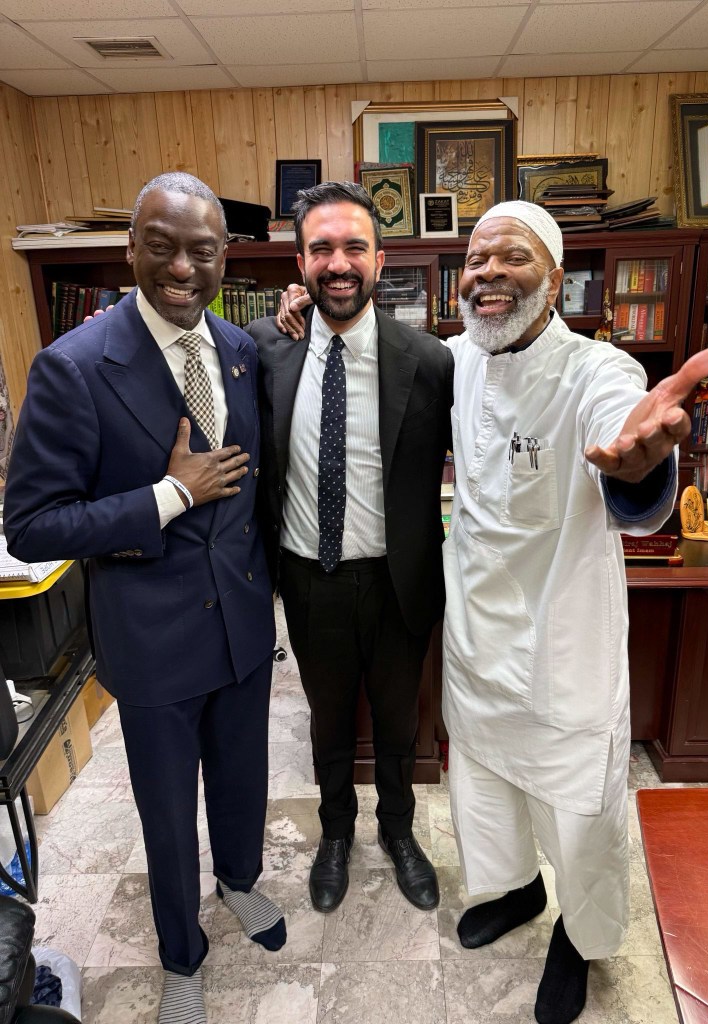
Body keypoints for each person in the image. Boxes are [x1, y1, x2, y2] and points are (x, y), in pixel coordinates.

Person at [276, 199, 708, 1023]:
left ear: (554, 279)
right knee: (485, 789)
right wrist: (311, 307)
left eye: (513, 258)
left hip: (563, 641)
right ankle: (518, 890)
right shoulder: (453, 361)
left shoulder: (598, 371)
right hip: (477, 635)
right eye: (477, 261)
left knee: (579, 808)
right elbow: (367, 351)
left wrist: (637, 465)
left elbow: (623, 442)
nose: (489, 274)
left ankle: (579, 937)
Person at [4, 173, 284, 1024]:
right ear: (131, 249)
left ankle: (239, 879)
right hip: (151, 637)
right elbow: (32, 525)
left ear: (225, 258)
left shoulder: (238, 348)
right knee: (166, 811)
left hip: (241, 620)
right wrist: (168, 497)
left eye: (202, 250)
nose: (182, 268)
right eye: (161, 246)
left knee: (243, 776)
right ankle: (181, 955)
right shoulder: (73, 365)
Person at [247, 181, 453, 914]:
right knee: (328, 720)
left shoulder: (430, 361)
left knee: (398, 723)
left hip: (399, 583)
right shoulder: (265, 350)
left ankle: (399, 831)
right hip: (311, 580)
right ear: (299, 263)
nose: (339, 264)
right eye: (322, 249)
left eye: (354, 248)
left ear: (380, 260)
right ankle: (336, 834)